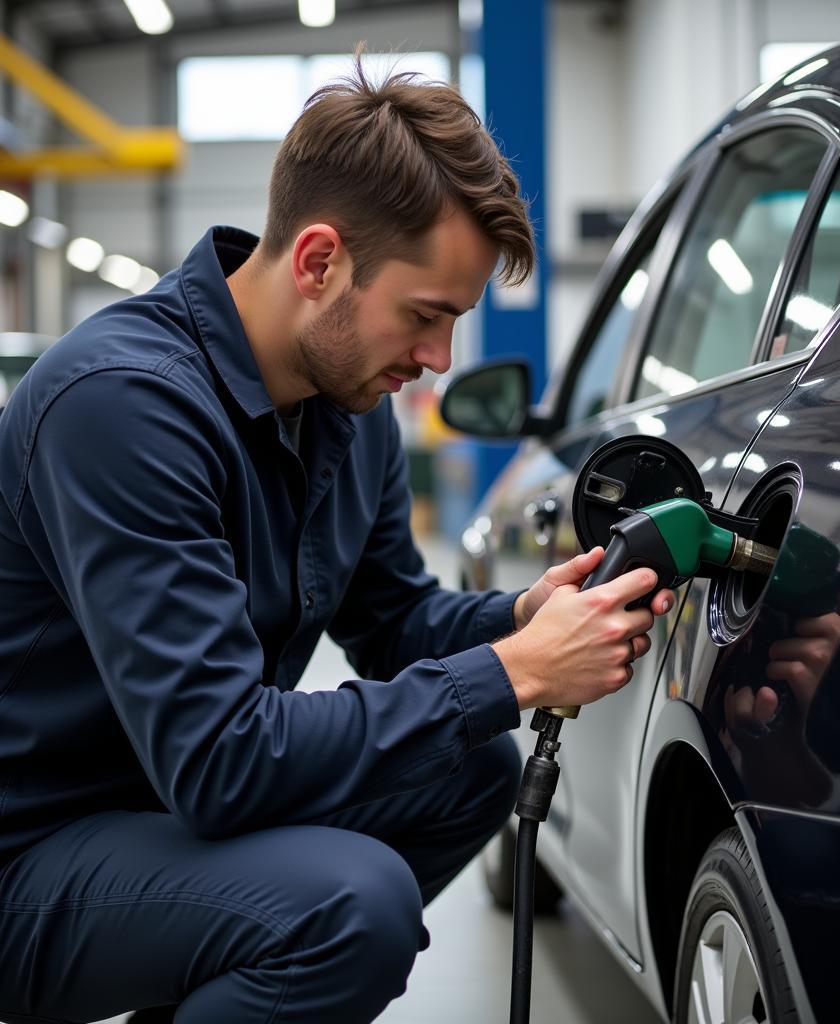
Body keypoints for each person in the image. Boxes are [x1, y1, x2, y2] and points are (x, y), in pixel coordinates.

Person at [0, 59, 674, 1024]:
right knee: (347, 905)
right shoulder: (121, 407)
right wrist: (513, 675)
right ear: (318, 261)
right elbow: (222, 762)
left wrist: (518, 621)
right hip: (31, 854)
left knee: (473, 765)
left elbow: (393, 615)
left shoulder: (349, 411)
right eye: (425, 316)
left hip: (158, 815)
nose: (438, 361)